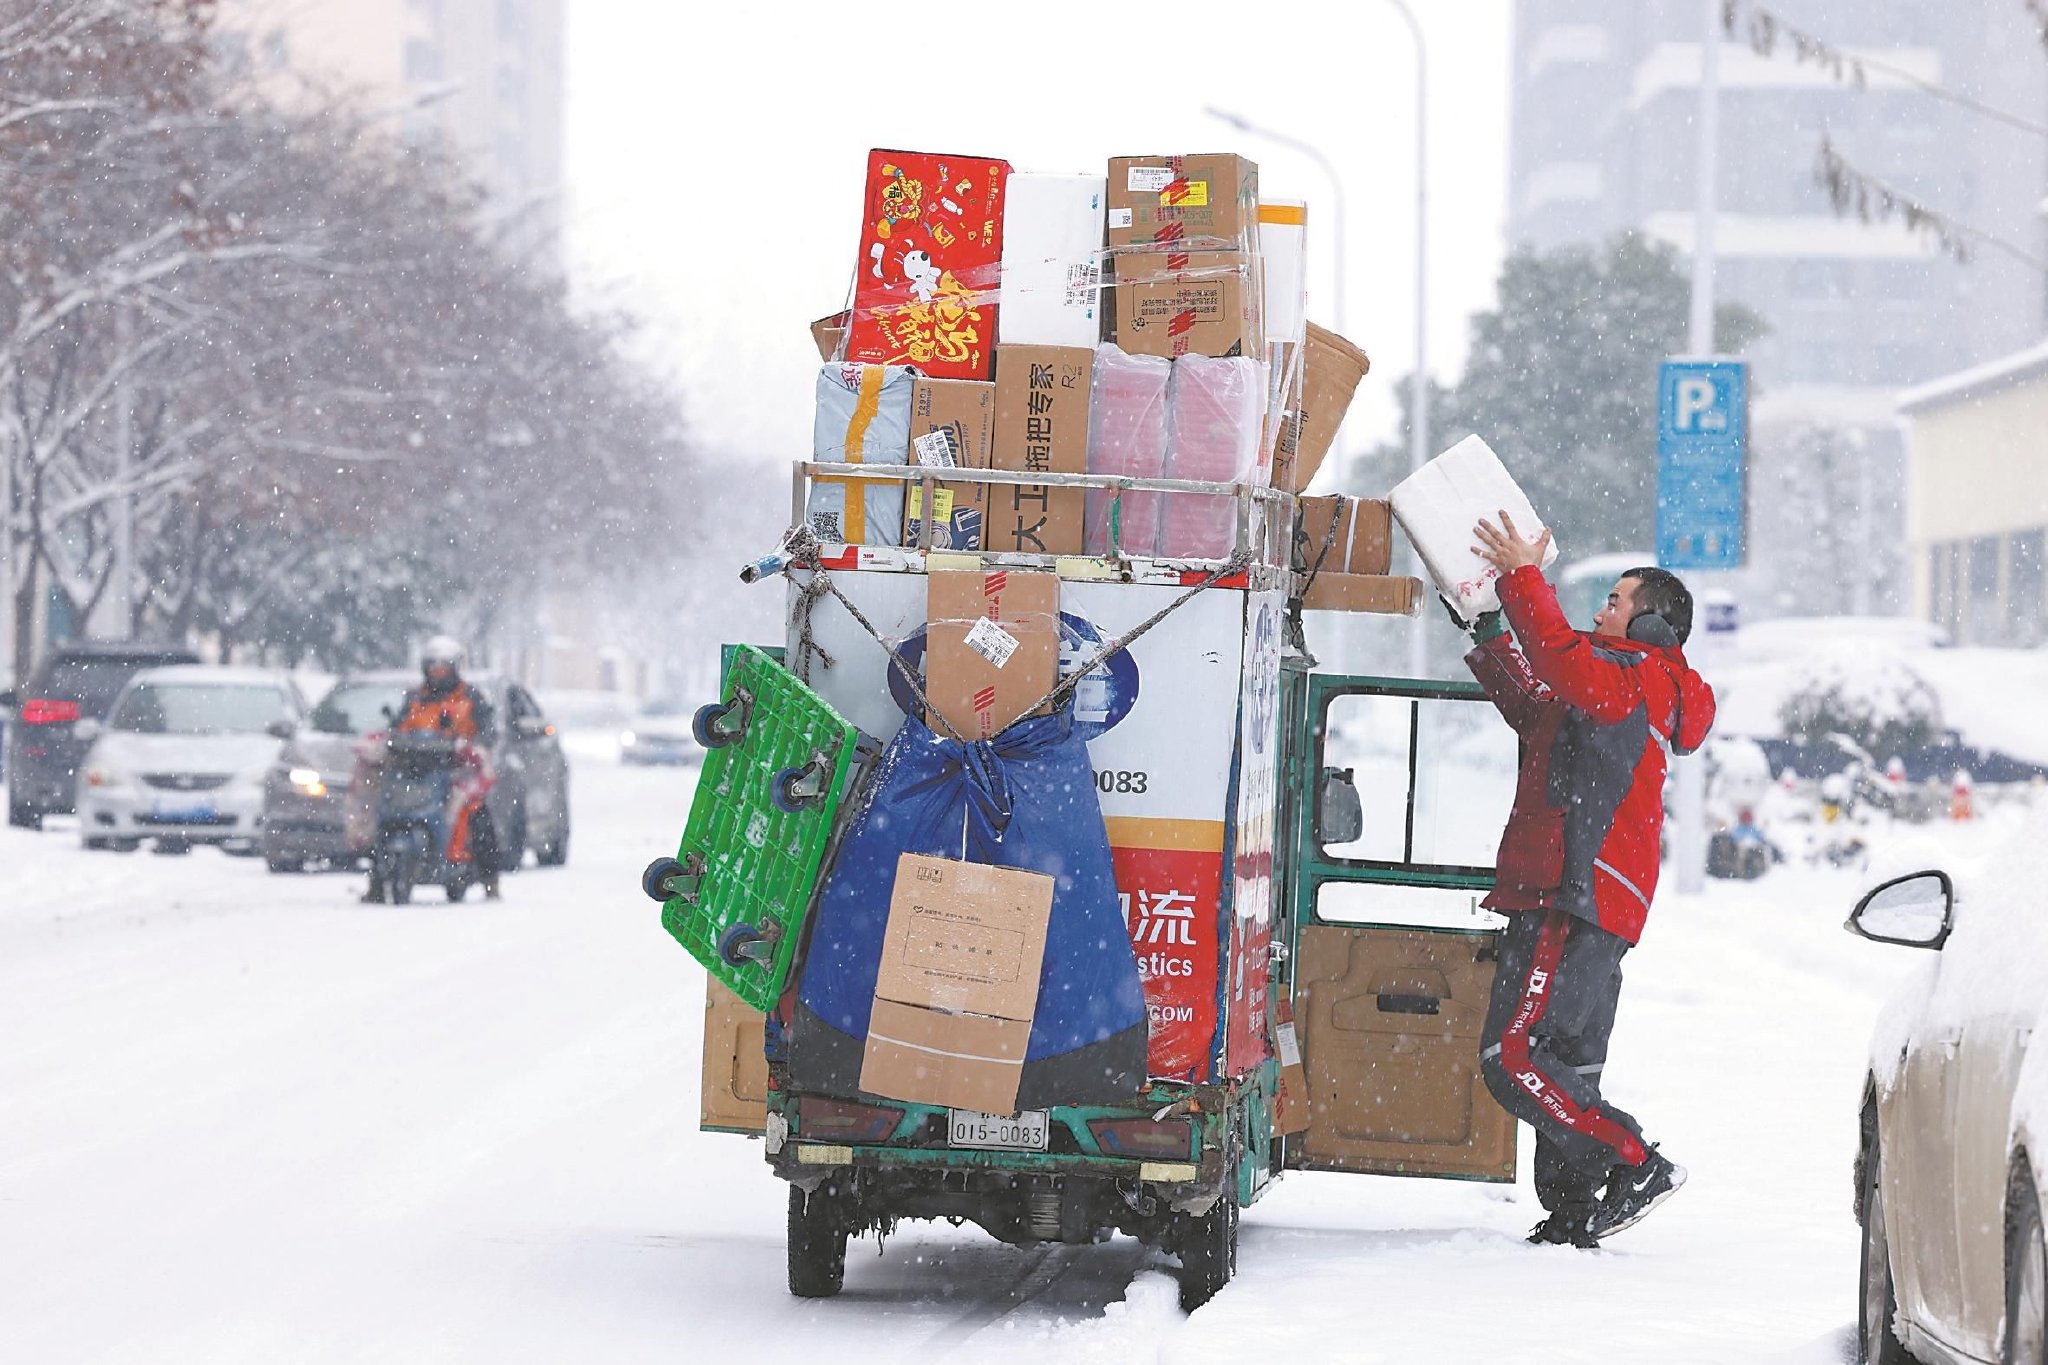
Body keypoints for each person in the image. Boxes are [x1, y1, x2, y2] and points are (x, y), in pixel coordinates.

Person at [1449, 513, 1715, 1248]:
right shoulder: (1619, 685)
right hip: (1592, 896)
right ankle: (1573, 1209)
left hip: (1575, 891)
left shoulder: (1636, 677)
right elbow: (1538, 708)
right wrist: (1487, 632)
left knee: (1514, 1059)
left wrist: (1521, 576)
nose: (1600, 612)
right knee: (1564, 1060)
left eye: (1615, 601)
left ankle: (1634, 1160)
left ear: (1653, 625)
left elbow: (1559, 660)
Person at [363, 635, 502, 902]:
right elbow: (399, 727)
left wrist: (472, 747)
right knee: (382, 810)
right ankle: (377, 879)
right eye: (433, 667)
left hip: (457, 770)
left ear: (455, 668)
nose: (438, 673)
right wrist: (392, 742)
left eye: (444, 667)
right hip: (417, 770)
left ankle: (488, 878)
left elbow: (487, 732)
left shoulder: (471, 698)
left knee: (476, 814)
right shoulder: (415, 698)